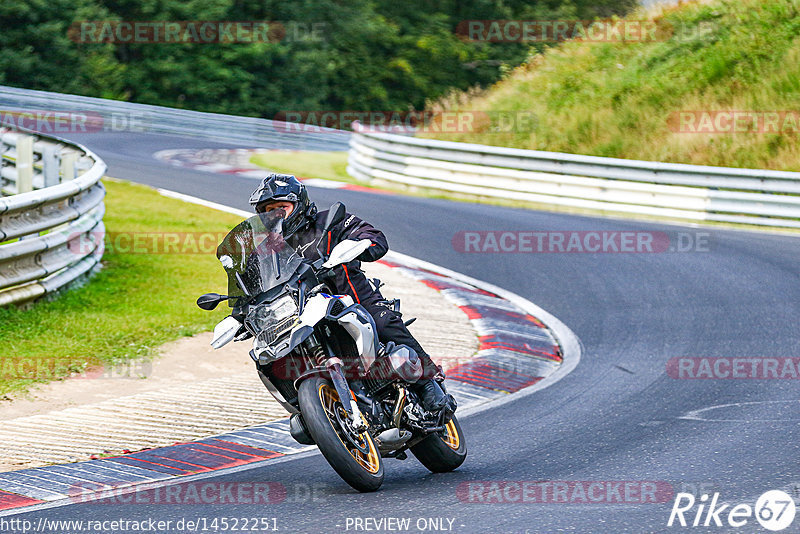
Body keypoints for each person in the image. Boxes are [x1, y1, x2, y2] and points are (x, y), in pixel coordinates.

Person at [248, 173, 456, 416]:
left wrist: (359, 244)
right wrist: (239, 309)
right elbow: (251, 283)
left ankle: (428, 380)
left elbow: (374, 236)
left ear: (298, 203)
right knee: (274, 354)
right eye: (269, 210)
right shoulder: (265, 248)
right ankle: (308, 409)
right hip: (301, 313)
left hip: (352, 297)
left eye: (281, 207)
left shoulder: (328, 221)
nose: (276, 214)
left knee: (382, 321)